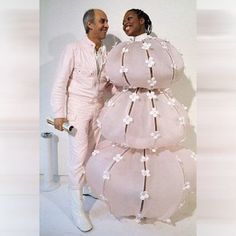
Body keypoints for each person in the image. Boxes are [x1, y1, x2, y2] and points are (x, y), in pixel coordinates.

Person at [85, 9, 196, 224]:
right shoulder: (121, 49)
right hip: (130, 105)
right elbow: (117, 76)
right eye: (124, 20)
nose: (125, 23)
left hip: (154, 104)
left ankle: (151, 199)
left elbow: (168, 71)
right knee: (131, 151)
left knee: (153, 151)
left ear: (142, 20)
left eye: (130, 18)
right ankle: (135, 198)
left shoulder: (159, 46)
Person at [50, 9, 109, 232]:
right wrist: (59, 113)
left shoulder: (104, 51)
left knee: (93, 154)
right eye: (102, 21)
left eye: (106, 21)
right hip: (77, 110)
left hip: (98, 110)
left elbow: (105, 84)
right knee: (77, 158)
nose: (106, 25)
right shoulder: (73, 49)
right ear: (89, 25)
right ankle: (77, 210)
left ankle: (86, 188)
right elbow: (59, 82)